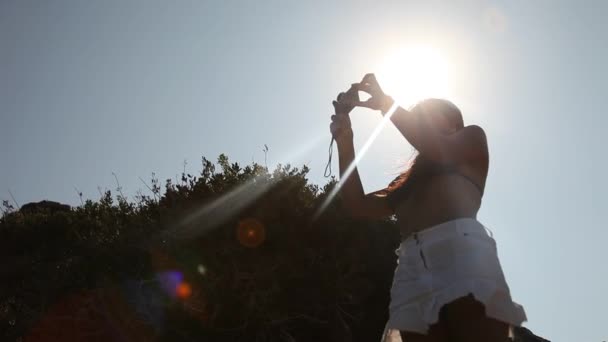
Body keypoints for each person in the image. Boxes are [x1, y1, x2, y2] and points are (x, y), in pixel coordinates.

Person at [330, 74, 526, 341]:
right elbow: (357, 205)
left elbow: (437, 147)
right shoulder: (407, 181)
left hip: (461, 251)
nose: (420, 122)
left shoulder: (472, 137)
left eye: (427, 116)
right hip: (411, 266)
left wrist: (386, 104)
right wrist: (345, 140)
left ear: (453, 121)